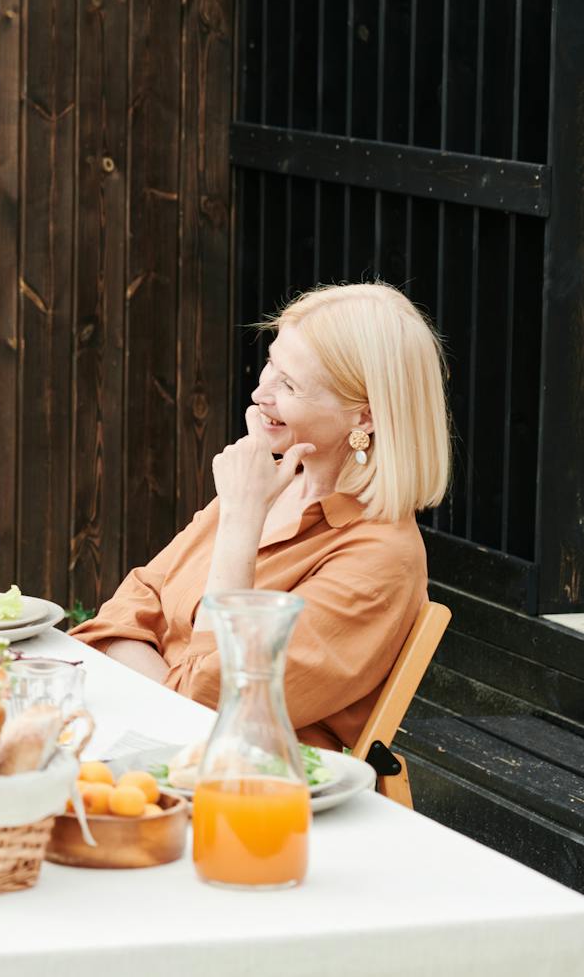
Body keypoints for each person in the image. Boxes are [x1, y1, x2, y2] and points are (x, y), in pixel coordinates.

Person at [72, 281, 452, 751]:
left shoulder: (379, 559)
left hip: (258, 794)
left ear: (364, 419)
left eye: (289, 384)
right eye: (271, 362)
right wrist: (170, 685)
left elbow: (213, 709)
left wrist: (240, 521)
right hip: (144, 739)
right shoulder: (271, 482)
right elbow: (122, 610)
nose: (258, 392)